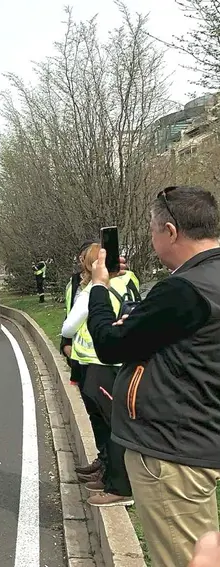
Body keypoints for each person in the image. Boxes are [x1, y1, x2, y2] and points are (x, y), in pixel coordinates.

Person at [87, 185, 220, 567]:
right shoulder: (206, 280)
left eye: (152, 229)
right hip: (199, 439)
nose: (151, 237)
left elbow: (110, 343)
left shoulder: (184, 290)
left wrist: (99, 286)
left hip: (170, 453)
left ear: (171, 232)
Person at [61, 242, 139, 507]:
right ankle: (109, 474)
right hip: (111, 362)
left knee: (111, 425)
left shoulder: (98, 287)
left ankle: (120, 487)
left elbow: (69, 325)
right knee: (110, 422)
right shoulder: (128, 278)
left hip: (100, 362)